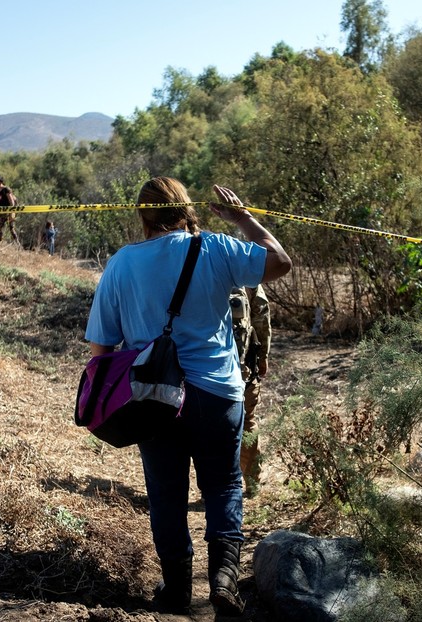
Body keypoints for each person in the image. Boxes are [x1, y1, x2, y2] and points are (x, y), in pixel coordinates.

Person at [84, 177, 291, 615]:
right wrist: (242, 218)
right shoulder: (215, 247)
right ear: (186, 209)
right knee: (224, 485)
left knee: (165, 492)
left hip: (153, 398)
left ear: (142, 215)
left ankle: (176, 590)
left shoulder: (121, 264)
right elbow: (280, 261)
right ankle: (223, 581)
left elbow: (101, 350)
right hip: (218, 392)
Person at [229, 284, 271, 497]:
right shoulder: (244, 272)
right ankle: (252, 482)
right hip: (242, 369)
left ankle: (213, 489)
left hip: (203, 370)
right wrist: (263, 356)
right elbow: (261, 316)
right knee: (247, 422)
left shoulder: (195, 268)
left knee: (208, 426)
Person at [0, 173, 19, 242]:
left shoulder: (6, 189)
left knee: (11, 228)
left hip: (8, 211)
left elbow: (12, 202)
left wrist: (11, 213)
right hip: (1, 212)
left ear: (0, 181)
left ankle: (17, 243)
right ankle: (1, 241)